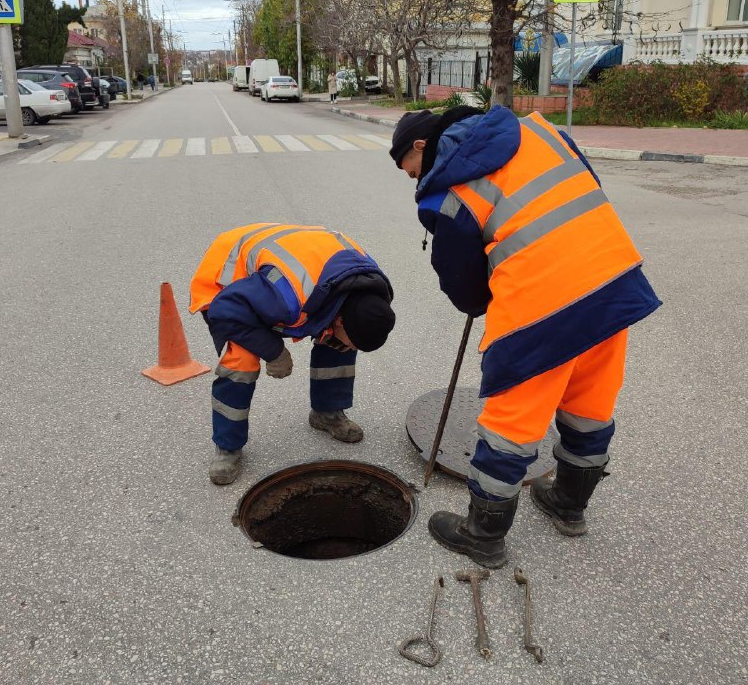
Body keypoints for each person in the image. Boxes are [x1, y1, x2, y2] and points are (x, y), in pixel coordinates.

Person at [390, 105, 661, 567]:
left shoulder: (453, 188)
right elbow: (584, 185)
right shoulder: (539, 131)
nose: (414, 180)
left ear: (421, 146)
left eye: (410, 170)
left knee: (510, 422)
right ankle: (569, 506)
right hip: (611, 279)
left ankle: (483, 534)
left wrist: (479, 300)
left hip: (543, 306)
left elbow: (458, 278)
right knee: (590, 403)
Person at [189, 223, 396, 485]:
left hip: (298, 264)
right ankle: (227, 447)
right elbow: (226, 311)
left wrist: (345, 339)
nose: (355, 348)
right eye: (356, 343)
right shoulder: (286, 296)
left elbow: (347, 324)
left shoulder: (370, 289)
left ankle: (326, 412)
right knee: (241, 361)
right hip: (229, 279)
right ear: (341, 320)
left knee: (337, 342)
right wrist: (274, 351)